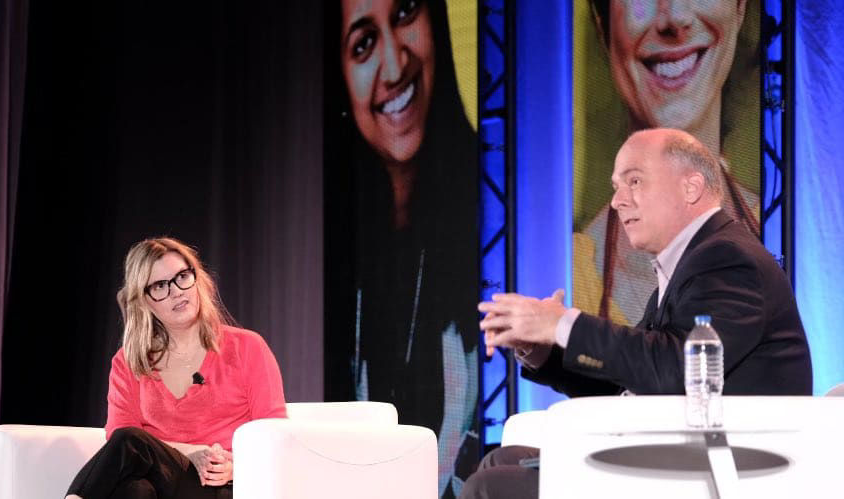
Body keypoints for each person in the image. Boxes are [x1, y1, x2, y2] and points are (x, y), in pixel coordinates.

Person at [459, 128, 813, 499]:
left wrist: (562, 323)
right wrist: (543, 349)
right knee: (501, 461)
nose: (617, 201)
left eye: (634, 181)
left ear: (690, 188)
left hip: (723, 472)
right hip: (680, 456)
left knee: (491, 487)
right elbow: (630, 377)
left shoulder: (726, 259)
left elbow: (674, 370)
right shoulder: (692, 261)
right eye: (616, 186)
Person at [337, 0, 480, 495]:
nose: (395, 67)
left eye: (404, 16)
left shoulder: (495, 199)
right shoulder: (343, 251)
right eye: (363, 44)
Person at [576, 0, 761, 326]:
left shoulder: (804, 246)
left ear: (740, 7)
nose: (674, 18)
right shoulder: (563, 275)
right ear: (602, 22)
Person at [65, 237, 286, 499]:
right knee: (135, 488)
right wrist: (189, 452)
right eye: (160, 286)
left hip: (223, 487)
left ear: (197, 279)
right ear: (144, 301)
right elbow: (117, 436)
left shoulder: (247, 347)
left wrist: (237, 467)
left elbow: (275, 435)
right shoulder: (129, 361)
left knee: (130, 441)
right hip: (161, 486)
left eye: (182, 276)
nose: (177, 291)